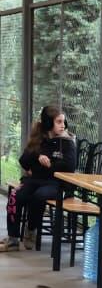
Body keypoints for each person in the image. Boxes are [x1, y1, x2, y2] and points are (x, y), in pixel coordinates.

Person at [0, 105, 76, 252]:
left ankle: (31, 229)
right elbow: (24, 160)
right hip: (35, 180)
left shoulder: (67, 142)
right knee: (16, 195)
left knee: (39, 196)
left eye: (63, 122)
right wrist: (38, 156)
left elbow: (69, 166)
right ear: (49, 123)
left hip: (56, 183)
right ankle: (13, 239)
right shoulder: (39, 139)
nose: (63, 125)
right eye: (59, 122)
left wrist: (49, 165)